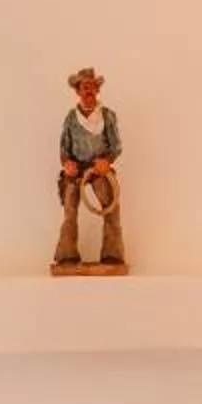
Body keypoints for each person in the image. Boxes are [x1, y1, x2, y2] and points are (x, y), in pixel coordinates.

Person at [54, 67, 126, 270]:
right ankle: (66, 254)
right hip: (76, 171)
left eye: (93, 87)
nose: (89, 91)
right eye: (85, 87)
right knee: (69, 207)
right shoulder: (71, 118)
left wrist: (107, 161)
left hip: (99, 170)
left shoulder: (107, 116)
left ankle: (113, 253)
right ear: (77, 91)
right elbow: (64, 148)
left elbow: (116, 146)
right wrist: (67, 164)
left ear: (97, 90)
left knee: (111, 204)